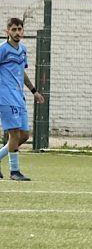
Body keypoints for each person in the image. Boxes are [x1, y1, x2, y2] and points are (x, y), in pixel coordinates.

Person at [0, 17, 46, 181]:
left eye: (20, 29)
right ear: (7, 31)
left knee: (24, 136)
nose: (17, 32)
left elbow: (21, 72)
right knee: (13, 133)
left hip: (19, 97)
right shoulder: (3, 49)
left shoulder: (23, 50)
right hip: (6, 96)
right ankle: (15, 172)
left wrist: (34, 91)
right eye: (14, 29)